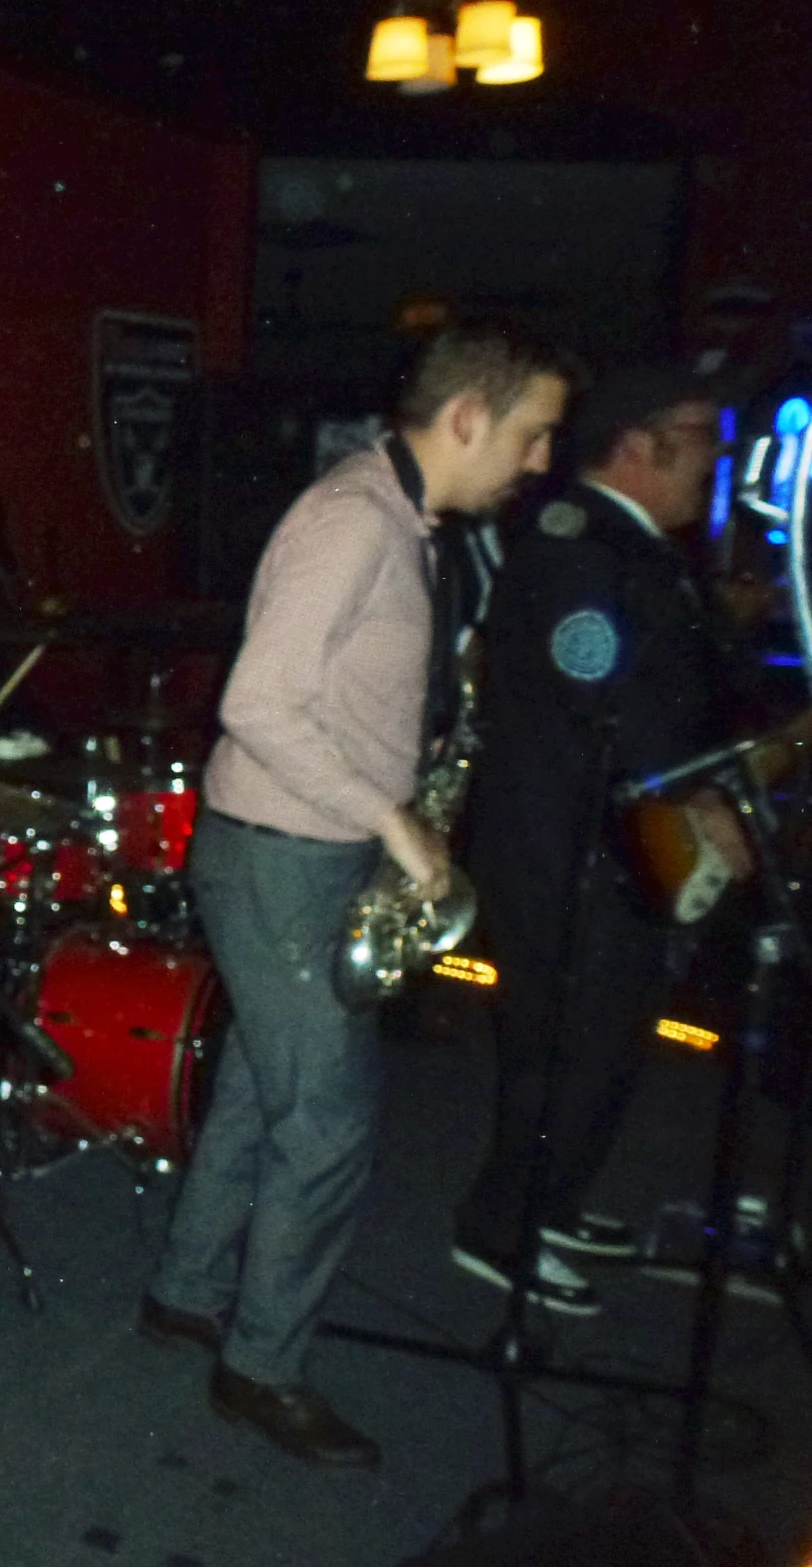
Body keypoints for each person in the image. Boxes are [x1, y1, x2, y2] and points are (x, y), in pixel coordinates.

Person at [136, 321, 572, 1468]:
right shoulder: (353, 523)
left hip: (298, 847)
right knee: (325, 1126)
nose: (538, 463)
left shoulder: (401, 520)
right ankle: (261, 1369)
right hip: (285, 853)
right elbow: (258, 704)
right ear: (467, 417)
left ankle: (187, 1291)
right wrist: (399, 824)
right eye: (531, 435)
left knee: (254, 1092)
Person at [450, 365, 751, 1315]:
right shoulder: (576, 541)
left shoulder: (633, 546)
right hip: (564, 845)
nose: (717, 457)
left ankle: (554, 1203)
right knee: (565, 1044)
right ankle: (502, 1226)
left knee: (608, 1040)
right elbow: (605, 689)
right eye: (700, 435)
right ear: (640, 443)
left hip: (609, 843)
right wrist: (701, 799)